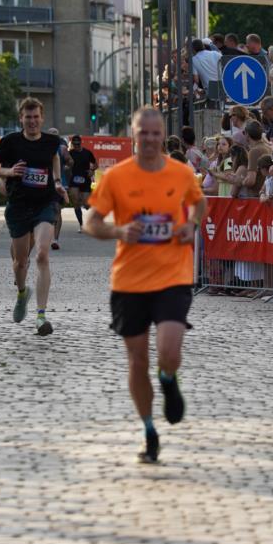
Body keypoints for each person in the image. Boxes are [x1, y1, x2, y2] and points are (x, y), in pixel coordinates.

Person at [84, 107, 206, 464]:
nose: (150, 139)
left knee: (168, 351)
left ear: (162, 135)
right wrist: (119, 230)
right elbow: (92, 222)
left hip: (173, 276)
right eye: (143, 133)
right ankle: (149, 430)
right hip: (129, 281)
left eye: (156, 133)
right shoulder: (116, 177)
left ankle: (168, 379)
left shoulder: (181, 173)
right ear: (132, 135)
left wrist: (192, 225)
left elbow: (200, 205)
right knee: (137, 360)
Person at [0, 97, 68, 336]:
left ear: (42, 118)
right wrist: (10, 171)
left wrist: (56, 181)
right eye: (27, 117)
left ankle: (41, 316)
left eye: (36, 117)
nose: (32, 121)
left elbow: (54, 157)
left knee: (42, 254)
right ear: (21, 118)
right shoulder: (10, 141)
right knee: (20, 262)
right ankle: (22, 293)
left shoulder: (52, 141)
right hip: (19, 206)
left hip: (45, 203)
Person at [68, 134, 97, 232]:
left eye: (78, 144)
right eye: (75, 144)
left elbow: (95, 164)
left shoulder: (87, 153)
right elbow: (65, 164)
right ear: (72, 144)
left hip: (85, 179)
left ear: (81, 143)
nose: (76, 146)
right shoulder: (70, 153)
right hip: (73, 179)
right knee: (76, 202)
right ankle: (81, 225)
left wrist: (92, 170)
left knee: (86, 203)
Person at [48, 128, 71, 250]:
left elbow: (70, 160)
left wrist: (68, 162)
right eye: (51, 135)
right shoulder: (41, 148)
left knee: (57, 209)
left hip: (59, 183)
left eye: (55, 136)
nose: (53, 138)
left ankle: (55, 239)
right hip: (43, 185)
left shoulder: (62, 149)